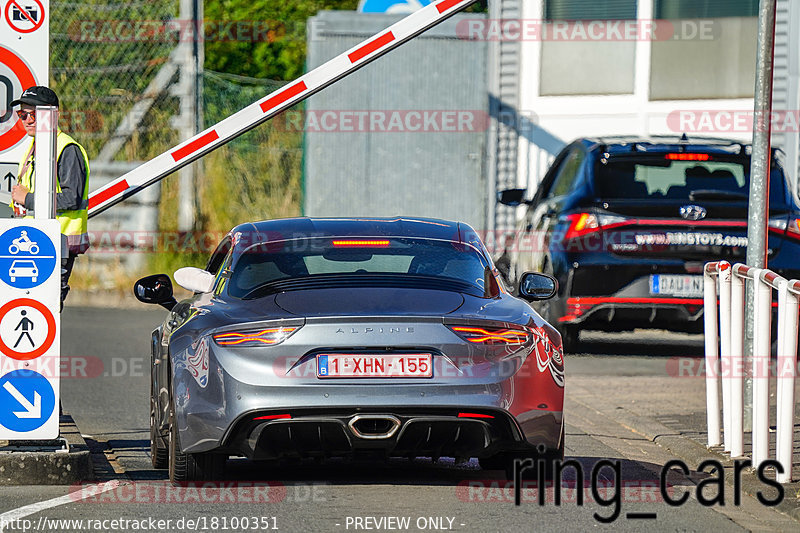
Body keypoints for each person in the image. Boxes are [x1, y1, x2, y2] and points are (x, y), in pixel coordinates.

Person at [9, 86, 90, 309]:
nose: (26, 120)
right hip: (37, 239)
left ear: (51, 115)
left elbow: (71, 198)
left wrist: (29, 199)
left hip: (57, 244)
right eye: (22, 114)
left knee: (44, 309)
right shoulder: (36, 146)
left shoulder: (66, 148)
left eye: (32, 114)